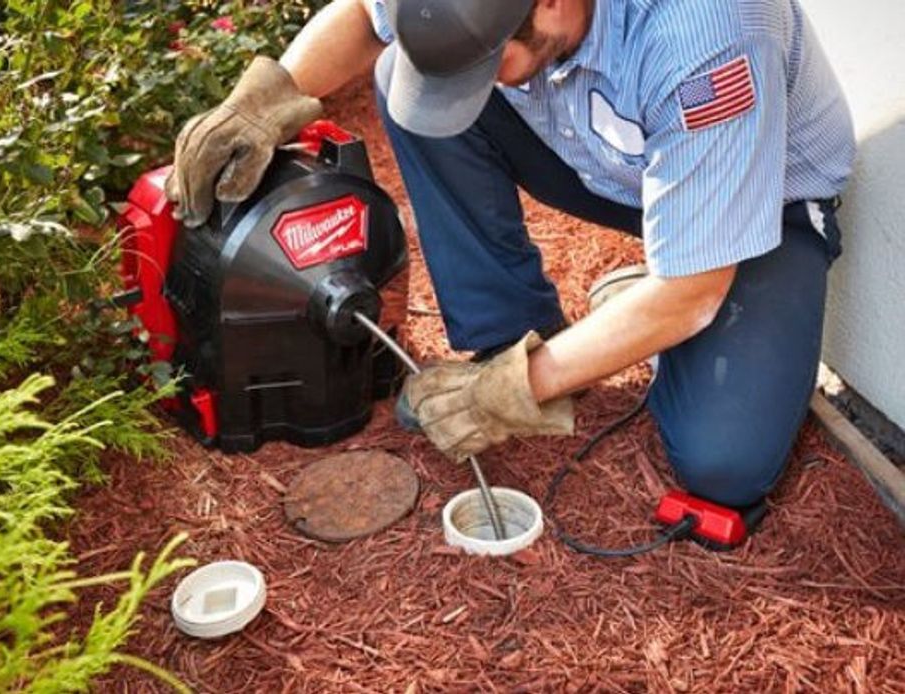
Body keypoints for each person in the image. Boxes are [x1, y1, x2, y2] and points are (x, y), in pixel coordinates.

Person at [166, 0, 855, 510]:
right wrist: (263, 103)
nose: (472, 85)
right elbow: (365, 17)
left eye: (489, 65)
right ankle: (512, 333)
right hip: (617, 162)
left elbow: (691, 293)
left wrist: (513, 392)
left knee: (724, 464)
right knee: (410, 78)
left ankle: (640, 312)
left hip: (762, 204)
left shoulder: (709, 37)